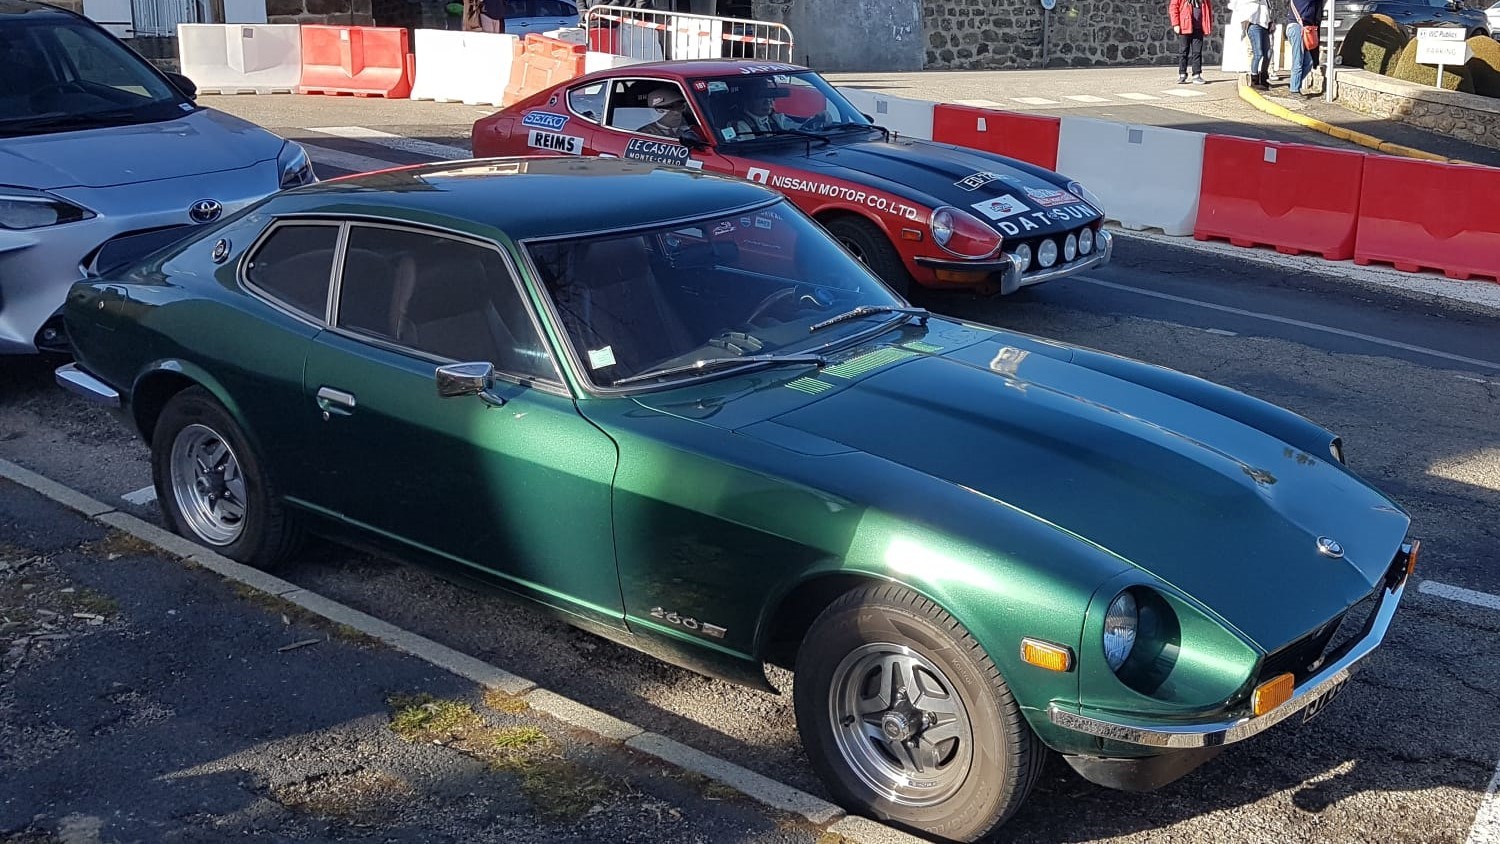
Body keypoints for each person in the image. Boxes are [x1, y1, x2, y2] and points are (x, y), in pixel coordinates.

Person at [727, 79, 799, 137]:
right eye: (760, 96)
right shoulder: (741, 126)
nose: (767, 101)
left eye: (768, 94)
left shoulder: (777, 118)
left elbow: (799, 128)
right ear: (747, 100)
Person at [1169, 0, 1214, 85]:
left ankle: (1196, 75)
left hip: (1198, 28)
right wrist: (1176, 24)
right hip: (1184, 26)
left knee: (1197, 52)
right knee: (1183, 52)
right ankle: (1182, 74)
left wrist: (1208, 26)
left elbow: (1208, 9)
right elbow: (1173, 7)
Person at [1229, 0, 1271, 89]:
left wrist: (1270, 21)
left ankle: (1263, 77)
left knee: (1268, 53)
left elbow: (1267, 10)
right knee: (1258, 54)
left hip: (1264, 26)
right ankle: (1254, 79)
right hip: (1254, 25)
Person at [1288, 0, 1322, 96]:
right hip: (1296, 27)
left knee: (1308, 61)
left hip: (1304, 28)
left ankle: (1294, 83)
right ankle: (1294, 90)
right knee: (1298, 60)